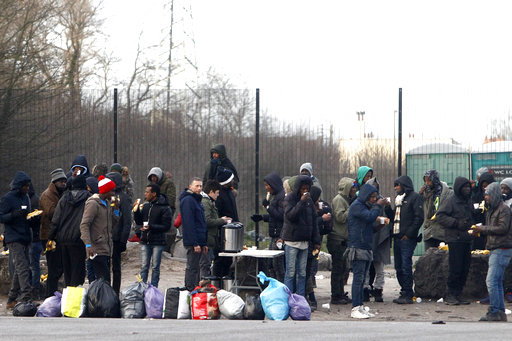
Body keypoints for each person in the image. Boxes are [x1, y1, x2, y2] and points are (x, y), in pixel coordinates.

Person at [472, 182, 512, 322]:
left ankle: (495, 310)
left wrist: (482, 229)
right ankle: (499, 311)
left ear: (494, 194)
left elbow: (502, 228)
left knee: (491, 281)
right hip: (496, 248)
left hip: (501, 249)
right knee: (497, 281)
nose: (486, 197)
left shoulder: (504, 209)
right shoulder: (493, 210)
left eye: (488, 194)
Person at [347, 183, 387, 318]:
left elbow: (369, 225)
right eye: (372, 197)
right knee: (358, 279)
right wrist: (378, 206)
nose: (374, 200)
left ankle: (361, 306)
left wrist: (380, 226)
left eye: (375, 197)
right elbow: (370, 217)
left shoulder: (364, 206)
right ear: (366, 196)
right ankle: (355, 308)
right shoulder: (357, 206)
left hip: (366, 246)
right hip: (358, 247)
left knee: (363, 278)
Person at [279, 175, 321, 297]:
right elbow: (291, 216)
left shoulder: (309, 201)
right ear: (298, 188)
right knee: (290, 273)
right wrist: (301, 202)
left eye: (307, 189)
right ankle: (288, 298)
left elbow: (313, 221)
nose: (305, 191)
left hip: (305, 242)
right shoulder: (289, 199)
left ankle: (300, 299)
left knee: (302, 273)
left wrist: (316, 240)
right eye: (303, 189)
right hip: (292, 241)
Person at [435, 176, 474, 305]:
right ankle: (450, 294)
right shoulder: (451, 201)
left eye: (468, 187)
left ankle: (458, 293)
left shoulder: (468, 201)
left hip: (466, 239)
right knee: (455, 268)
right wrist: (456, 223)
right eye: (465, 187)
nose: (467, 189)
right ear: (459, 188)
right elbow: (440, 216)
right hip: (455, 239)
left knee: (465, 268)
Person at [386, 176, 423, 305]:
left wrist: (408, 234)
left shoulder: (415, 197)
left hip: (407, 239)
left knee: (406, 266)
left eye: (397, 185)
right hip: (397, 237)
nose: (395, 188)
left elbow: (419, 218)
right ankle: (404, 291)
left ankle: (408, 293)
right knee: (398, 267)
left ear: (404, 185)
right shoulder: (398, 200)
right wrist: (387, 208)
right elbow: (394, 218)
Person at [48, 175, 91, 287]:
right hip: (78, 239)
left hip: (63, 239)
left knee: (67, 272)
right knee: (78, 271)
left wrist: (51, 237)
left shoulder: (64, 198)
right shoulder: (88, 198)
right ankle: (75, 299)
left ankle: (68, 298)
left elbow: (56, 219)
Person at [0, 171, 33, 309]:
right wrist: (13, 215)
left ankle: (12, 298)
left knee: (22, 268)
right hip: (13, 237)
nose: (27, 189)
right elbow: (1, 217)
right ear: (19, 186)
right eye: (25, 186)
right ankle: (26, 296)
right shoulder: (7, 198)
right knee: (23, 267)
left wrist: (32, 217)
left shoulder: (26, 198)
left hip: (25, 235)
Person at [80, 175, 119, 282]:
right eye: (112, 191)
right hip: (96, 250)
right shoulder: (93, 204)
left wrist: (115, 210)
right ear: (106, 191)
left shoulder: (107, 203)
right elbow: (84, 225)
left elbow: (112, 224)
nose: (114, 194)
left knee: (104, 281)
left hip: (106, 248)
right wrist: (88, 245)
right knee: (101, 282)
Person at [133, 183, 173, 287]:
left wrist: (151, 227)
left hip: (158, 242)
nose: (145, 194)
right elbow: (139, 221)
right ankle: (141, 287)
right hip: (145, 240)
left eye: (147, 192)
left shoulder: (165, 208)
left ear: (154, 194)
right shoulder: (146, 206)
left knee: (155, 267)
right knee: (144, 266)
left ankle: (154, 288)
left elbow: (166, 226)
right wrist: (136, 211)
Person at [251, 172, 286, 282]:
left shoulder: (281, 197)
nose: (266, 188)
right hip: (274, 233)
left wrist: (267, 206)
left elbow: (280, 215)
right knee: (270, 264)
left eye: (268, 185)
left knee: (278, 265)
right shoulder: (275, 196)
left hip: (279, 235)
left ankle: (280, 286)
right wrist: (262, 217)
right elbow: (273, 216)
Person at [327, 177, 357, 305]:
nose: (355, 190)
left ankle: (340, 292)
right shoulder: (339, 200)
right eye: (352, 188)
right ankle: (336, 295)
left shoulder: (346, 200)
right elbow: (340, 218)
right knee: (337, 268)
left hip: (343, 239)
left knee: (343, 268)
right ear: (347, 189)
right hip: (337, 239)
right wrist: (351, 208)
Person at [39, 168, 67, 298]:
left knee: (59, 267)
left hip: (59, 235)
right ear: (55, 182)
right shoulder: (47, 195)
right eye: (61, 181)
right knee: (53, 268)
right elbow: (52, 213)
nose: (63, 183)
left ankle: (52, 293)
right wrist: (64, 206)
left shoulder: (61, 194)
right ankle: (50, 295)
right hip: (49, 237)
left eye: (64, 181)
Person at [364, 177, 391, 303]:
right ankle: (365, 290)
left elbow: (388, 216)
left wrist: (387, 207)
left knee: (379, 266)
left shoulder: (381, 200)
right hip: (368, 237)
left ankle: (378, 289)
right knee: (366, 267)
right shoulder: (363, 202)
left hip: (380, 236)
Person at [306, 186, 332, 310]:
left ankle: (310, 297)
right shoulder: (307, 208)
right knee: (306, 272)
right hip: (308, 243)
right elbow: (311, 225)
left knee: (309, 270)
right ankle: (310, 297)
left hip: (313, 243)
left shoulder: (314, 207)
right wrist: (321, 218)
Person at [106, 172, 132, 293]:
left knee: (116, 268)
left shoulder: (124, 198)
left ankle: (115, 292)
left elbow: (127, 221)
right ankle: (105, 291)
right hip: (106, 237)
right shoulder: (105, 196)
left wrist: (123, 239)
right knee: (106, 267)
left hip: (116, 238)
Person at [180, 177, 208, 290]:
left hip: (199, 240)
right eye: (197, 186)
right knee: (192, 267)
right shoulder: (188, 201)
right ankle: (190, 289)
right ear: (190, 187)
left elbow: (202, 223)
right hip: (194, 242)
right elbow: (189, 223)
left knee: (195, 267)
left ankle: (194, 289)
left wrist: (203, 243)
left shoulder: (197, 200)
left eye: (201, 186)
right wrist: (195, 243)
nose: (199, 188)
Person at [200, 180, 231, 278]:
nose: (218, 196)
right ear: (211, 192)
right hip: (207, 239)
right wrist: (222, 220)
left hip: (209, 239)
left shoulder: (208, 201)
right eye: (217, 193)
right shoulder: (206, 202)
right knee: (205, 265)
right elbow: (207, 221)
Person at [212, 167, 238, 278]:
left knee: (228, 261)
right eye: (231, 179)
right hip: (223, 233)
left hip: (231, 231)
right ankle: (218, 282)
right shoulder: (220, 195)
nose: (233, 181)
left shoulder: (230, 193)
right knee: (220, 260)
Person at [419, 169, 453, 249]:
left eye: (429, 181)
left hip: (442, 232)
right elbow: (419, 207)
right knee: (429, 258)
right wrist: (420, 195)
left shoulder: (447, 193)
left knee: (442, 259)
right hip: (429, 232)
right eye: (425, 181)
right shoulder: (426, 193)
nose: (427, 183)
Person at [148, 167, 177, 254]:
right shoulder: (151, 186)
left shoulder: (169, 184)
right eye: (151, 177)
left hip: (166, 211)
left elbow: (171, 199)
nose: (153, 179)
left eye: (155, 176)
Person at [472, 171, 496, 250]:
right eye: (483, 187)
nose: (485, 189)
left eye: (487, 186)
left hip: (493, 233)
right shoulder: (477, 197)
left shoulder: (497, 200)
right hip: (479, 233)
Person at [27, 183, 42, 300]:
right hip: (35, 237)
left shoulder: (32, 200)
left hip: (34, 237)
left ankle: (34, 289)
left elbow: (38, 219)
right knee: (34, 265)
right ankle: (33, 288)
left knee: (33, 266)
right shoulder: (35, 199)